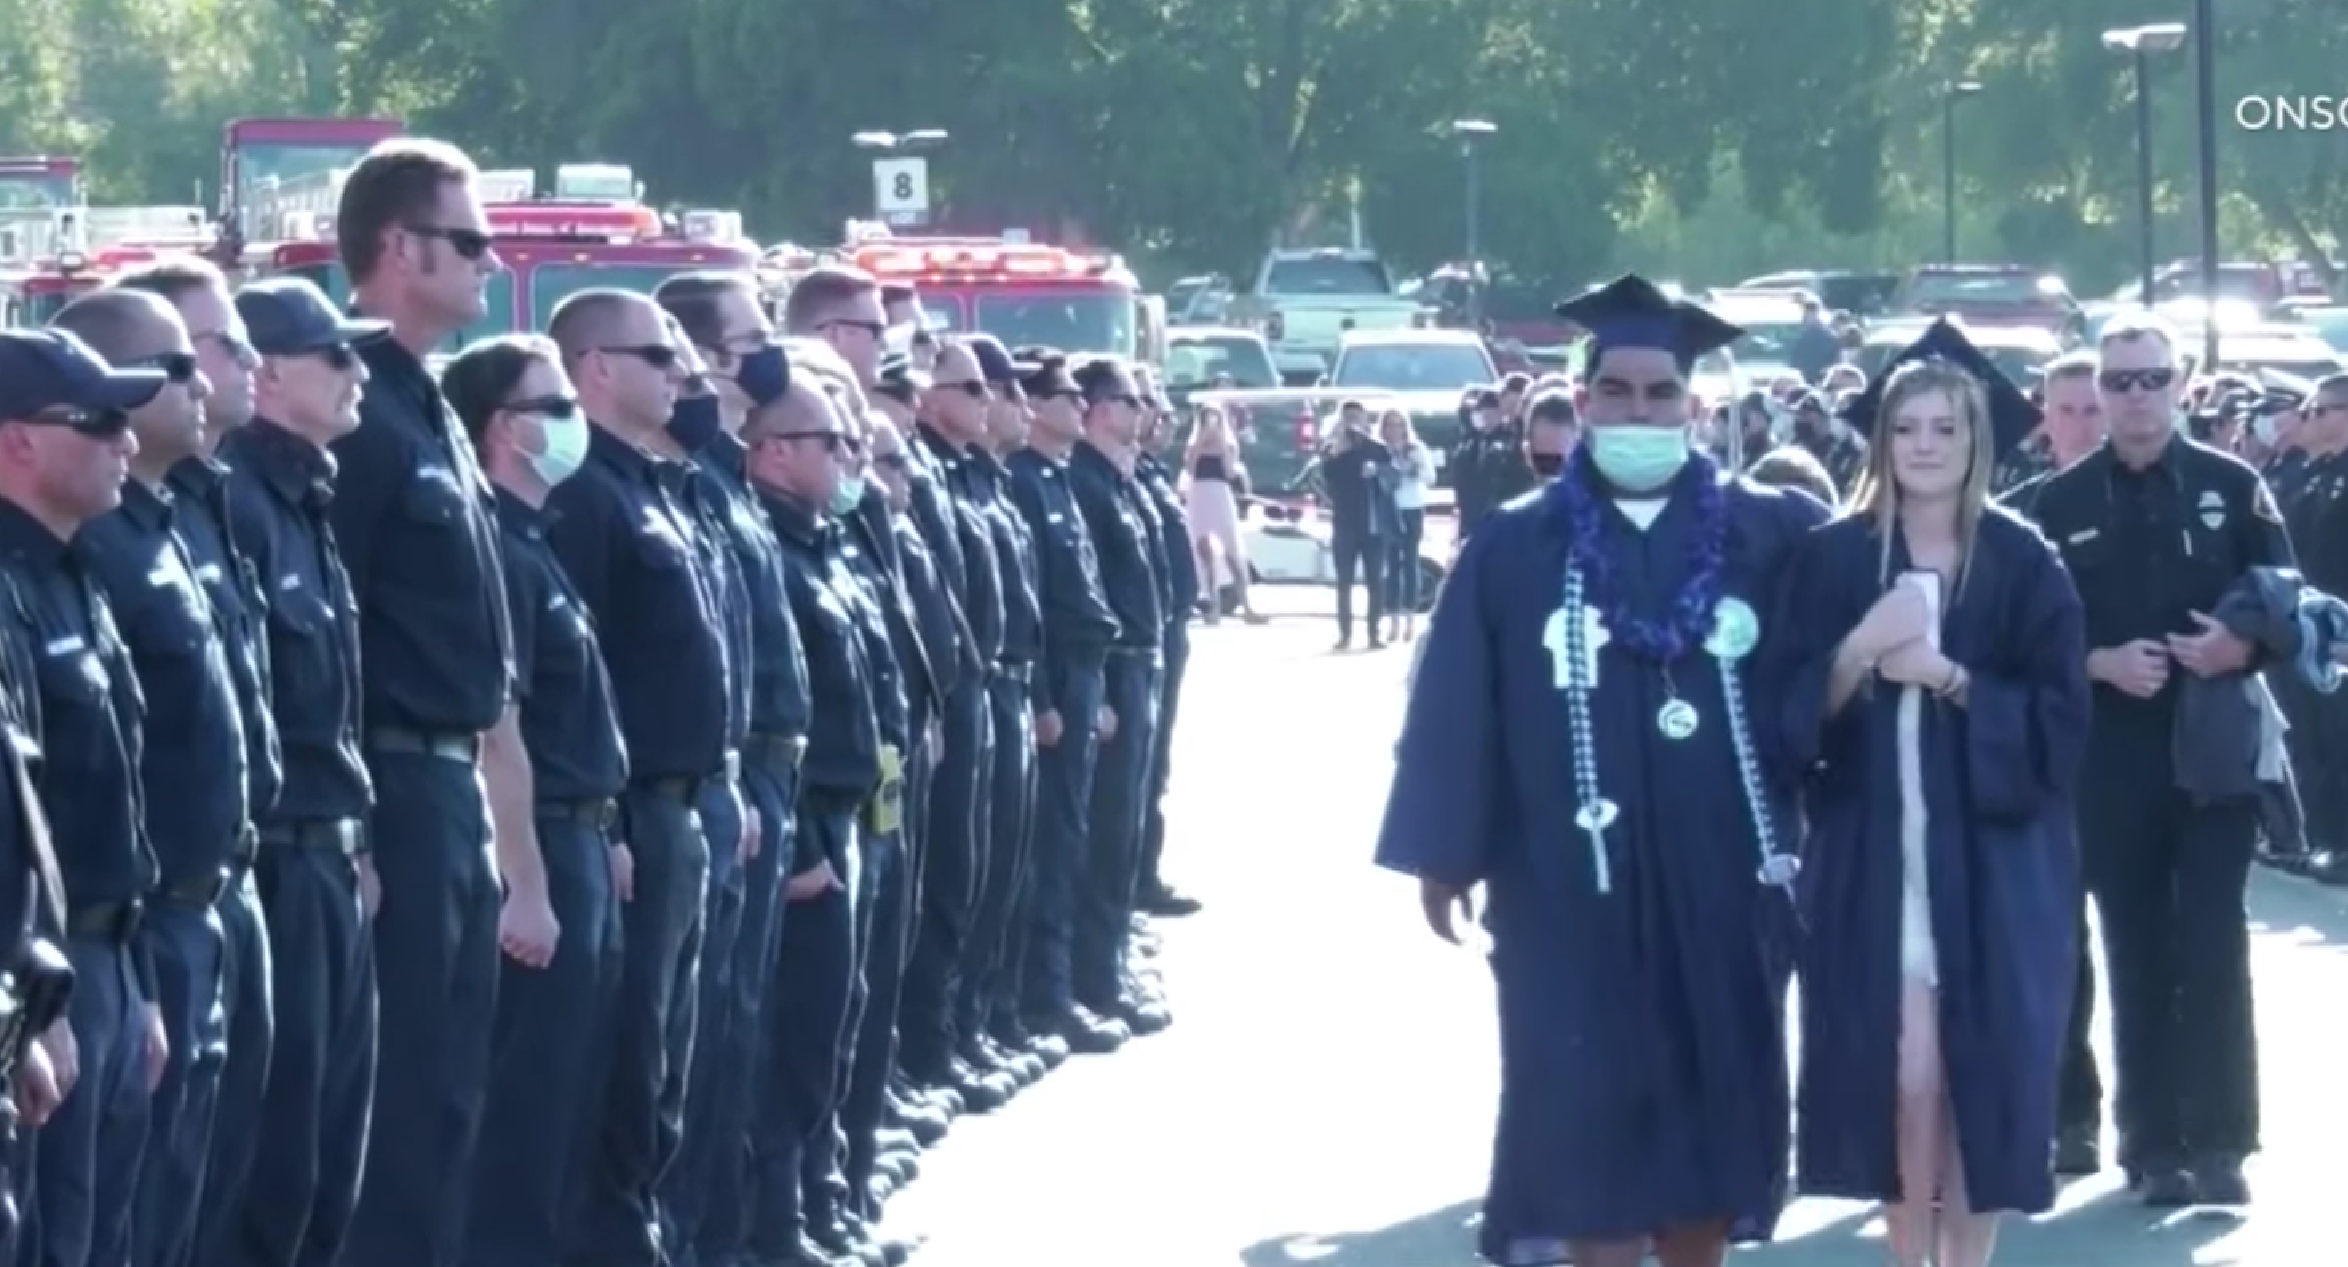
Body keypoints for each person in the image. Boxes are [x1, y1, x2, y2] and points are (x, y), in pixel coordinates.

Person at [1376, 275, 1826, 1267]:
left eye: (1658, 393)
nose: (1637, 411)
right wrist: (1443, 852)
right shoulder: (1514, 546)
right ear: (1578, 406)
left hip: (1725, 878)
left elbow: (1824, 683)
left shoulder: (1771, 534)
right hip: (1563, 882)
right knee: (1581, 1111)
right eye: (1614, 393)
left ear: (1694, 408)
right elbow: (1458, 703)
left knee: (1716, 1100)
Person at [1766, 321, 2090, 1267]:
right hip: (1872, 855)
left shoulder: (2024, 560)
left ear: (1975, 437)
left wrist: (1950, 676)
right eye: (1907, 427)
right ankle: (1910, 1259)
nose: (1925, 445)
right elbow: (1785, 711)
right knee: (1902, 1075)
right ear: (1882, 439)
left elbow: (2061, 725)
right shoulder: (1832, 558)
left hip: (1993, 861)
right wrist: (1861, 649)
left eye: (1945, 427)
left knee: (1974, 1075)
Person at [331, 139, 540, 1267]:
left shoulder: (426, 404)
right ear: (399, 249)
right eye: (466, 242)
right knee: (403, 1101)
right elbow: (334, 621)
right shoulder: (356, 404)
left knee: (454, 1089)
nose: (484, 261)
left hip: (449, 780)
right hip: (394, 783)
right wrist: (359, 823)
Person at [2025, 311, 2285, 1208]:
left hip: (2211, 748)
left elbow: (2294, 602)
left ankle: (2222, 1141)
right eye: (2121, 380)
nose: (2138, 396)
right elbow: (2017, 637)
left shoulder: (2232, 485)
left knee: (2212, 937)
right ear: (2098, 392)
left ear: (2180, 386)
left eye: (2154, 378)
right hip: (2111, 757)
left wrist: (2238, 646)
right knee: (2135, 945)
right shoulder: (2053, 507)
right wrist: (2095, 661)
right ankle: (2153, 1141)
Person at [51, 285, 251, 1267]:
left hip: (155, 925)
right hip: (76, 950)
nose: (202, 380)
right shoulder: (60, 555)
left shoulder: (141, 533)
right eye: (176, 366)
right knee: (70, 1219)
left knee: (158, 1202)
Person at [540, 289, 731, 1265]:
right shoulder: (581, 495)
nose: (680, 375)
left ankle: (651, 1230)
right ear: (594, 367)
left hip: (685, 803)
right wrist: (608, 823)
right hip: (633, 810)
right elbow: (577, 672)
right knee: (625, 1054)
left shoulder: (652, 483)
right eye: (660, 356)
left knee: (666, 1055)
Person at [438, 334, 629, 1267]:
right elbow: (496, 729)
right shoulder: (495, 550)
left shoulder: (536, 542)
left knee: (573, 1097)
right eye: (556, 407)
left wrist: (610, 834)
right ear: (505, 429)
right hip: (539, 844)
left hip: (582, 836)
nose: (574, 424)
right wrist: (527, 882)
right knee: (524, 1106)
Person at [109, 258, 283, 1267]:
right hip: (147, 916)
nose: (232, 367)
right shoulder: (93, 541)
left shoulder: (187, 513)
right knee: (135, 1198)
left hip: (225, 890)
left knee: (209, 1181)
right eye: (199, 352)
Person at [215, 278, 380, 1267]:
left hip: (328, 852)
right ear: (269, 371)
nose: (357, 369)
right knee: (272, 1156)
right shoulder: (240, 500)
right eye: (336, 354)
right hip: (272, 860)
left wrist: (357, 844)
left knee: (329, 1144)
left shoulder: (307, 496)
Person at [0, 328, 162, 1267]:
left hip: (108, 957)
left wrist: (134, 982)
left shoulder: (76, 574)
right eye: (100, 422)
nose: (126, 442)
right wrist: (36, 1007)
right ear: (17, 438)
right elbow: (22, 827)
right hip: (42, 976)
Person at [742, 375, 885, 1267]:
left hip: (845, 812)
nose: (850, 457)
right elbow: (763, 714)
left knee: (833, 1020)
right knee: (786, 1039)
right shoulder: (767, 547)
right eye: (831, 442)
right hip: (802, 826)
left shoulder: (822, 543)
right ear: (775, 450)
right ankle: (772, 1227)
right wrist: (794, 841)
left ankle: (813, 1203)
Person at [1995, 349, 2109, 1176]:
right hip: (2048, 752)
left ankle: (2145, 1120)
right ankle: (2064, 1104)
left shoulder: (2138, 492)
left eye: (2092, 407)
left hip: (2131, 753)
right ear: (2045, 415)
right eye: (2067, 408)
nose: (2082, 423)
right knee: (2055, 942)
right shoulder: (2022, 514)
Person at [1005, 352, 1129, 1057]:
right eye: (1062, 394)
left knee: (1078, 835)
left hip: (1087, 673)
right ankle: (1043, 996)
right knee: (1049, 847)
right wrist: (1045, 698)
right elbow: (1032, 608)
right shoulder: (1026, 481)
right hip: (1053, 679)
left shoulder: (1053, 479)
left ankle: (1059, 986)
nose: (1078, 403)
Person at [1317, 400, 1391, 650]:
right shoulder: (1333, 449)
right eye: (1347, 417)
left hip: (1372, 522)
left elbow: (1393, 479)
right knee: (1344, 581)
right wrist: (1336, 451)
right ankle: (1345, 633)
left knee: (1375, 580)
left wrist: (1378, 471)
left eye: (1356, 417)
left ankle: (1374, 632)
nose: (1352, 423)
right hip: (1344, 522)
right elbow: (1323, 478)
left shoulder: (1377, 449)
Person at [1182, 404, 1260, 623]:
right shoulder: (1193, 444)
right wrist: (1199, 445)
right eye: (1207, 419)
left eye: (1215, 419)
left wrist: (1223, 447)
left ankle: (1246, 604)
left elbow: (1229, 471)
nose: (1211, 424)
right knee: (1204, 549)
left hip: (1220, 492)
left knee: (1231, 549)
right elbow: (1189, 469)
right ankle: (1212, 605)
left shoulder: (1228, 444)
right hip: (1199, 492)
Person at [1378, 408, 1436, 642]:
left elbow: (1430, 477)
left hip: (1412, 507)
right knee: (1391, 563)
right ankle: (1392, 618)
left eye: (1398, 424)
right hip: (1389, 508)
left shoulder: (1416, 449)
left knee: (1411, 561)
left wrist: (1413, 468)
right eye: (1389, 425)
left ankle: (1410, 618)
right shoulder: (1380, 450)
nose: (1394, 430)